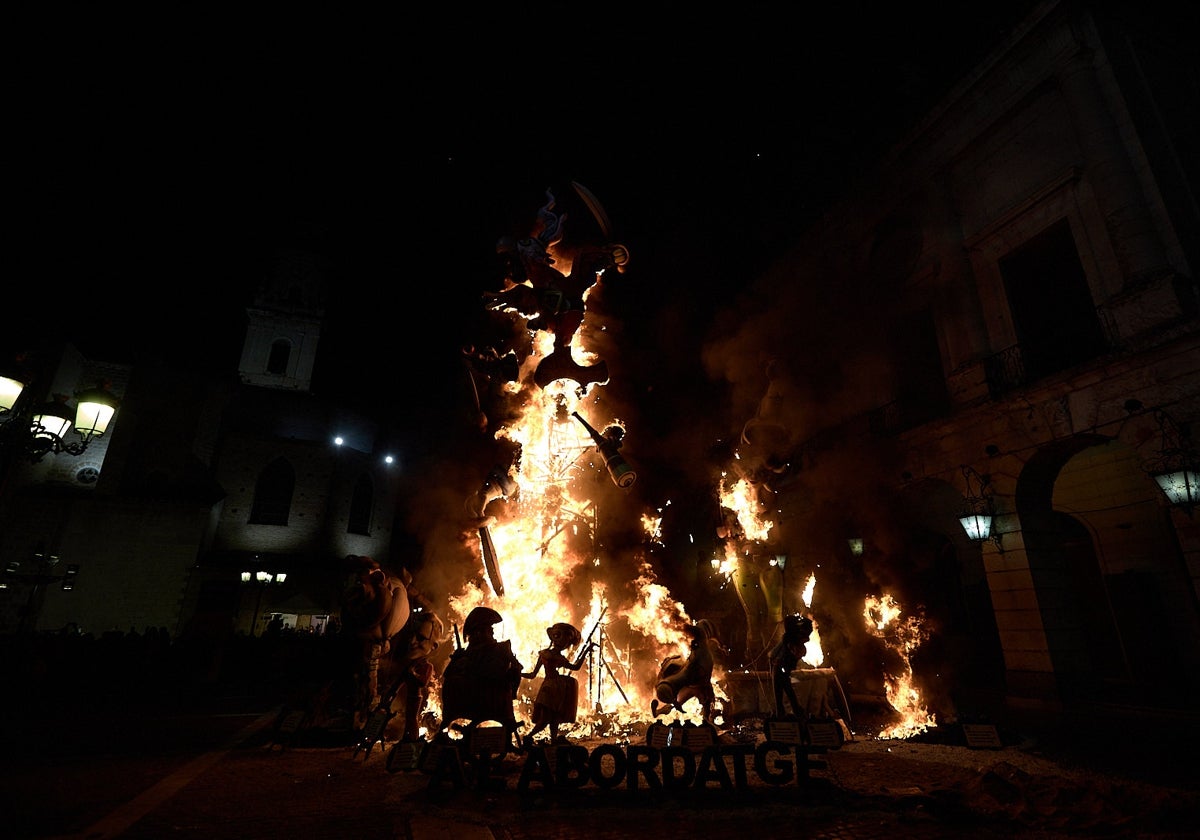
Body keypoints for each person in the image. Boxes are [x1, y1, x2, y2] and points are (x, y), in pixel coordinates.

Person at [439, 606, 524, 744]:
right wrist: (457, 659)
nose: (491, 632)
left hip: (492, 693)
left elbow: (498, 671)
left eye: (490, 630)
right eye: (488, 630)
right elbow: (448, 674)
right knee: (452, 682)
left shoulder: (500, 649)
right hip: (478, 693)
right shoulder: (469, 653)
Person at [521, 622, 594, 746]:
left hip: (551, 687)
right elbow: (575, 667)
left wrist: (520, 673)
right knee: (545, 719)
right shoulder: (556, 657)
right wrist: (587, 650)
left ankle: (553, 741)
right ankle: (528, 737)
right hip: (552, 689)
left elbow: (532, 674)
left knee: (554, 719)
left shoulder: (545, 654)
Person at [652, 619, 717, 724]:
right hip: (695, 686)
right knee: (684, 703)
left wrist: (677, 623)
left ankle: (707, 722)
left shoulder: (702, 646)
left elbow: (696, 632)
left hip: (696, 684)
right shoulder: (702, 651)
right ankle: (661, 711)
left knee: (703, 703)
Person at [769, 614, 813, 719]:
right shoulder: (789, 640)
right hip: (781, 667)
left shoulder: (790, 640)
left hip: (781, 667)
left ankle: (786, 714)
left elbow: (773, 654)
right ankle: (792, 713)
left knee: (782, 692)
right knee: (785, 691)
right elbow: (773, 654)